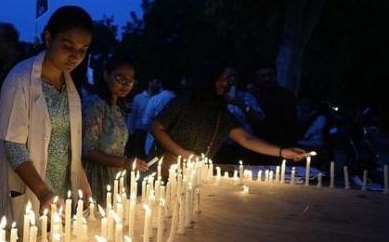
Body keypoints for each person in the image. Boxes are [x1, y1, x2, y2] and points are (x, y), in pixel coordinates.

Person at [0, 6, 94, 222]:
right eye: (67, 46)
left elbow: (69, 142)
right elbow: (13, 145)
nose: (75, 56)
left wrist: (82, 181)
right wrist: (43, 192)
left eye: (83, 50)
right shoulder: (20, 80)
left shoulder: (70, 85)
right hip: (31, 189)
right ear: (48, 38)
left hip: (59, 192)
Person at [151, 62, 306, 166]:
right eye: (223, 78)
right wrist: (184, 153)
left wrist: (282, 151)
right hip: (163, 169)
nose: (226, 83)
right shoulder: (184, 102)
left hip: (191, 175)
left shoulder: (221, 113)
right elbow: (157, 128)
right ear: (210, 79)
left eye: (229, 79)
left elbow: (247, 138)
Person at [82, 54, 148, 206]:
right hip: (97, 176)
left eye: (130, 81)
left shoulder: (117, 107)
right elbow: (87, 150)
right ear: (106, 75)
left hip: (115, 174)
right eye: (120, 78)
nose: (125, 84)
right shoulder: (95, 105)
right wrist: (125, 162)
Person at [249, 62, 299, 149]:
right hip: (256, 142)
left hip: (280, 142)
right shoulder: (251, 96)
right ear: (257, 78)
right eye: (263, 76)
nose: (267, 78)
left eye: (270, 75)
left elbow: (292, 122)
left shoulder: (286, 95)